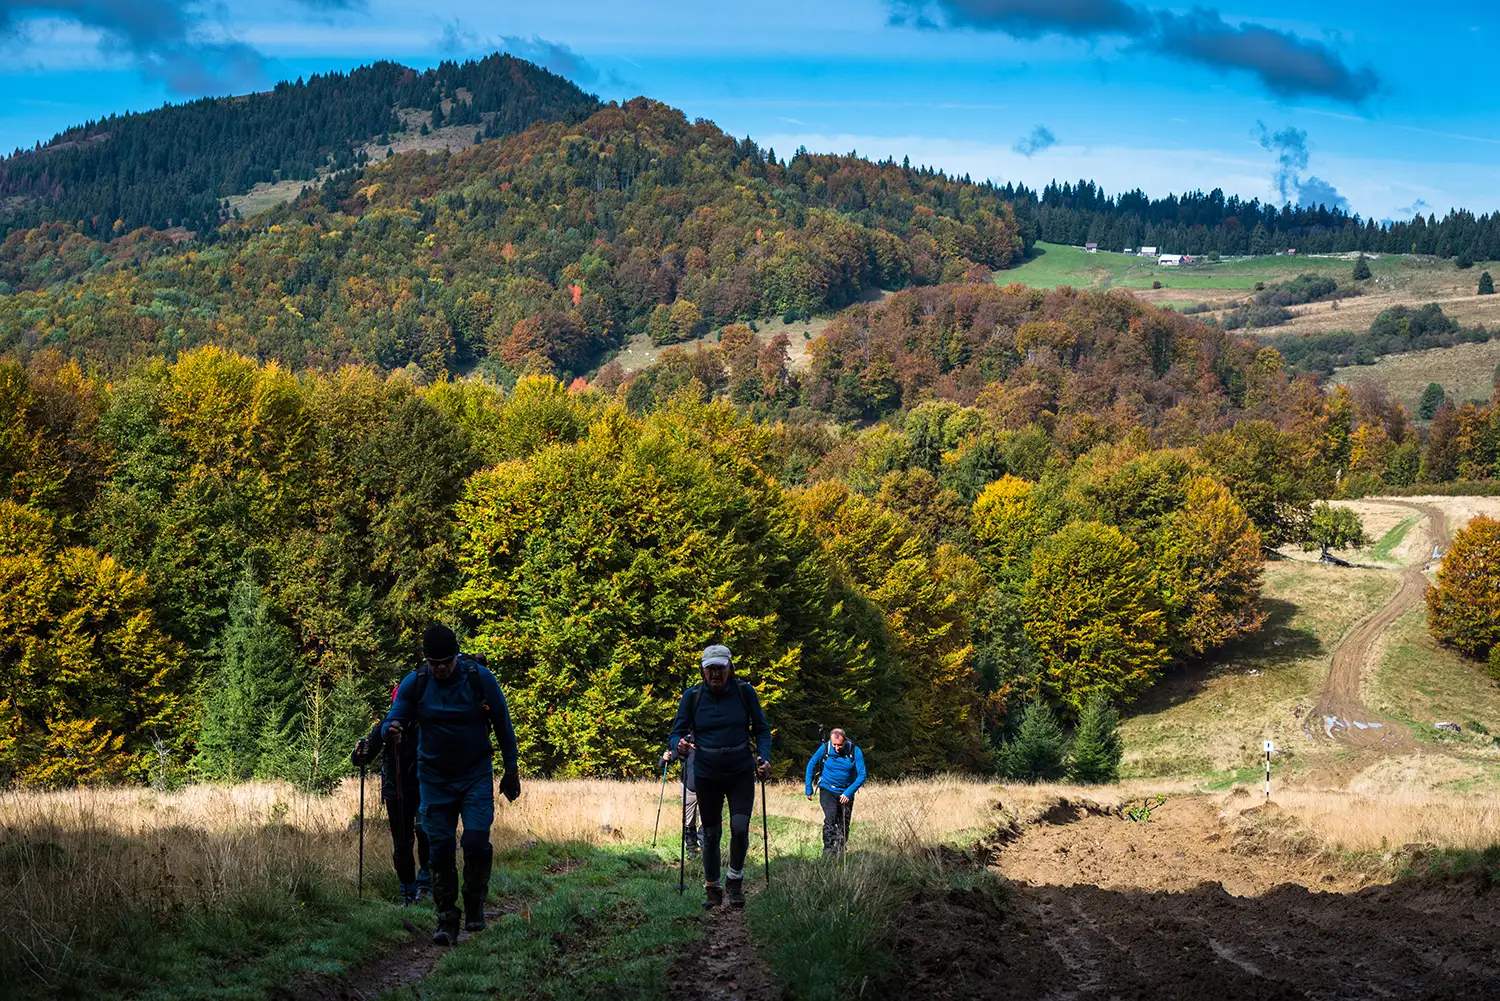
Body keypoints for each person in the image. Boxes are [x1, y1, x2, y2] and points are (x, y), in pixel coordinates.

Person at [384, 624, 520, 945]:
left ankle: (474, 903)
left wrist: (511, 768)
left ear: (456, 655)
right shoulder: (415, 683)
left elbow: (503, 722)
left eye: (446, 661)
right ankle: (446, 919)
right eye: (434, 662)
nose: (441, 668)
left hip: (475, 776)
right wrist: (391, 728)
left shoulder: (479, 678)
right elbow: (397, 713)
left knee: (475, 842)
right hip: (433, 780)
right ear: (426, 661)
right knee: (440, 849)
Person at [666, 643, 771, 910]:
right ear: (702, 671)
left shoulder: (745, 693)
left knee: (739, 829)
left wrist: (765, 757)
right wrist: (679, 745)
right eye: (710, 668)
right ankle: (712, 887)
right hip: (706, 772)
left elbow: (762, 729)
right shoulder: (692, 696)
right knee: (710, 834)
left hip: (739, 771)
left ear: (730, 668)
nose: (715, 674)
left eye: (720, 668)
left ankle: (734, 880)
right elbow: (675, 732)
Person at [352, 686, 430, 904]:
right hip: (396, 791)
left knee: (425, 831)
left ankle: (425, 883)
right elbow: (361, 758)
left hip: (425, 788)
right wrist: (360, 752)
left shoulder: (427, 723)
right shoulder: (384, 726)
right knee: (402, 843)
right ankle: (409, 891)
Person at [804, 728, 865, 857]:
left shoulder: (855, 751)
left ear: (845, 741)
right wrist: (808, 787)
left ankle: (840, 850)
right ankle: (828, 851)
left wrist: (848, 792)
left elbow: (862, 775)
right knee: (830, 819)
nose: (837, 748)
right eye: (834, 745)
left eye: (840, 745)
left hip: (846, 790)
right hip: (828, 789)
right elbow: (811, 764)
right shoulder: (825, 748)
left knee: (844, 822)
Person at [660, 741, 701, 855]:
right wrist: (665, 758)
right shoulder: (683, 747)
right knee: (689, 822)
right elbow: (663, 763)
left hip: (708, 789)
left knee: (707, 821)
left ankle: (705, 850)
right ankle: (692, 849)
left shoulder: (709, 745)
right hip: (688, 788)